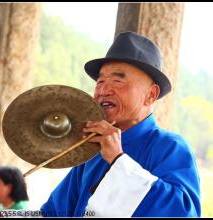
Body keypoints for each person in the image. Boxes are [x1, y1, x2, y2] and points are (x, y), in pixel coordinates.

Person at [40, 31, 201, 217]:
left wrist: (117, 160)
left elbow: (182, 213)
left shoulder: (170, 147)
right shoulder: (92, 150)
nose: (103, 90)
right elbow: (53, 212)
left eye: (117, 80)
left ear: (151, 95)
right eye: (100, 81)